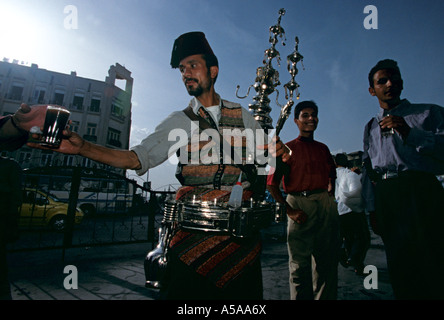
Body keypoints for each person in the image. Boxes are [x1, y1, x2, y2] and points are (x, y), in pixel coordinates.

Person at [27, 31, 290, 300]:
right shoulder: (179, 120)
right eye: (182, 69)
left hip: (240, 243)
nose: (186, 73)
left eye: (193, 65)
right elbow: (135, 158)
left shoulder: (242, 114)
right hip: (192, 241)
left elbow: (265, 160)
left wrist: (279, 151)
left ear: (213, 71)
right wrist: (83, 148)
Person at [362, 58, 444, 299]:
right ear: (372, 90)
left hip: (421, 191)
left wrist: (411, 133)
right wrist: (372, 208)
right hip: (388, 195)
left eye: (394, 79)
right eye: (382, 81)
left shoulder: (429, 113)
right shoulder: (370, 127)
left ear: (402, 84)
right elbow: (368, 170)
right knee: (400, 264)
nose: (390, 84)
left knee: (432, 261)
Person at [266, 100, 339, 300]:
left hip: (324, 204)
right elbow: (271, 185)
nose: (310, 118)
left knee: (326, 263)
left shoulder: (323, 149)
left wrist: (328, 197)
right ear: (296, 121)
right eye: (305, 115)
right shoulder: (286, 149)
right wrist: (290, 210)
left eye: (313, 114)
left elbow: (332, 174)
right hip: (299, 204)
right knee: (299, 266)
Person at [334, 153, 370, 276]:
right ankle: (356, 262)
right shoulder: (349, 174)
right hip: (351, 210)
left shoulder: (330, 175)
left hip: (338, 212)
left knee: (348, 237)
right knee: (363, 238)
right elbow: (356, 191)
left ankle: (348, 256)